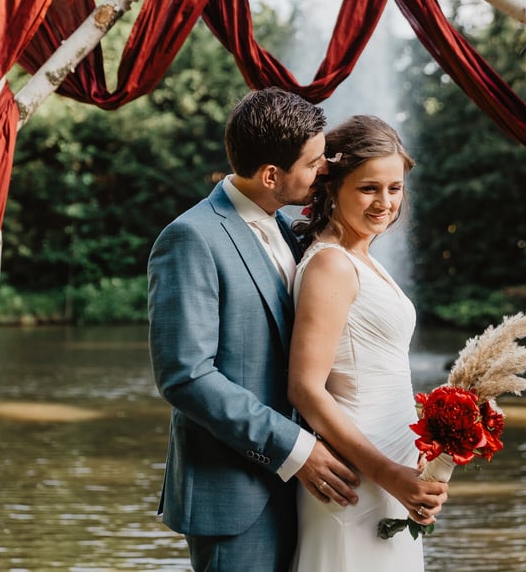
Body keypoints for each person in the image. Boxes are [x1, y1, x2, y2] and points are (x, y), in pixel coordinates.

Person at [148, 88, 361, 572]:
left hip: (308, 490)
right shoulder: (190, 238)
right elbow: (186, 377)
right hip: (235, 494)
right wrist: (295, 448)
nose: (323, 169)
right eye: (313, 162)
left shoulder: (288, 228)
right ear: (271, 175)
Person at [287, 115, 448, 571]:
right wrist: (388, 474)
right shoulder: (331, 265)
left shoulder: (361, 257)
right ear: (332, 186)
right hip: (357, 476)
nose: (385, 202)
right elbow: (305, 389)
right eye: (368, 188)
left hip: (394, 471)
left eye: (395, 188)